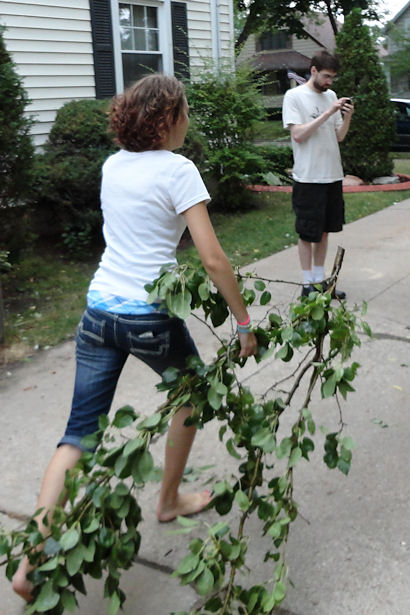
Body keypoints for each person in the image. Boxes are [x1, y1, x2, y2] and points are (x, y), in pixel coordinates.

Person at [12, 73, 258, 602]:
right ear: (168, 120)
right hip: (148, 314)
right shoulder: (179, 169)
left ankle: (31, 558)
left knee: (78, 434)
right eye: (186, 113)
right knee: (192, 395)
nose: (188, 122)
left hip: (99, 309)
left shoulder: (113, 164)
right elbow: (213, 259)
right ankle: (168, 500)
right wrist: (243, 323)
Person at [282, 50, 354, 298]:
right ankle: (306, 285)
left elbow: (339, 137)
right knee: (307, 232)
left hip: (332, 176)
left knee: (324, 231)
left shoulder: (331, 96)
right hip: (308, 178)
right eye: (326, 76)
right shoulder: (294, 97)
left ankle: (320, 281)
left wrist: (346, 117)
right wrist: (328, 112)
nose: (330, 82)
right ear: (313, 70)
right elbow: (298, 135)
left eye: (333, 77)